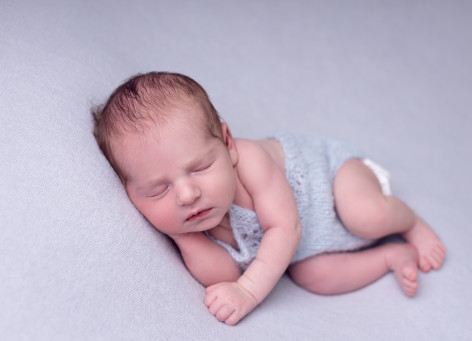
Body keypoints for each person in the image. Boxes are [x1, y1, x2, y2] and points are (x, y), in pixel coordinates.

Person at [92, 72, 447, 326]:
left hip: (332, 179)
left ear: (227, 144)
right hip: (307, 244)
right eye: (158, 189)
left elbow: (285, 228)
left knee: (365, 214)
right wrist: (180, 234)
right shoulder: (190, 217)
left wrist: (247, 291)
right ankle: (388, 256)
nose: (187, 194)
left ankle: (410, 221)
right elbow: (223, 273)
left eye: (199, 167)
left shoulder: (251, 162)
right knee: (312, 276)